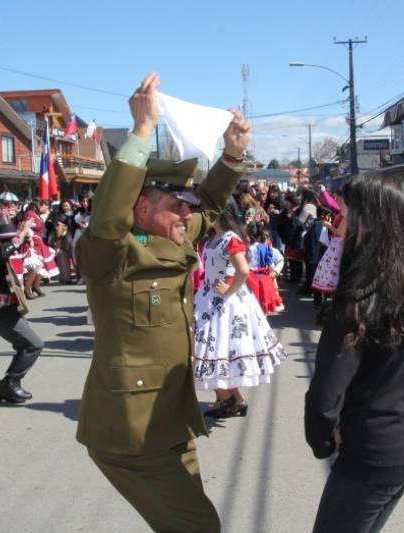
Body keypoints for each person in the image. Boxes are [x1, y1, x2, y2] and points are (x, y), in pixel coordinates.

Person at [74, 72, 250, 533]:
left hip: (172, 422)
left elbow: (209, 203)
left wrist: (232, 154)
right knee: (199, 527)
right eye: (177, 206)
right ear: (142, 208)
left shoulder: (172, 236)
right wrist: (142, 131)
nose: (187, 215)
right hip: (131, 433)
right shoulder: (109, 253)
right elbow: (107, 216)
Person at [305, 175, 404, 533]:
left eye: (346, 216)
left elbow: (323, 400)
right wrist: (401, 387)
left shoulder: (357, 297)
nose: (338, 227)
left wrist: (323, 440)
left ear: (369, 224)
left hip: (370, 454)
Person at [194, 201, 285, 418]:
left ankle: (227, 399)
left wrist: (228, 290)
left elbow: (243, 270)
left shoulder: (230, 239)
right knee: (212, 352)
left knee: (213, 350)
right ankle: (230, 399)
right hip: (209, 299)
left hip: (225, 303)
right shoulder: (212, 238)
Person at [0, 220, 44, 404]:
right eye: (6, 241)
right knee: (34, 345)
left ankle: (7, 387)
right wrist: (20, 234)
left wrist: (24, 235)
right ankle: (10, 383)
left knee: (26, 346)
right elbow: (3, 256)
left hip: (9, 311)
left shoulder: (0, 254)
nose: (11, 245)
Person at [245, 221, 285, 314]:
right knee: (262, 308)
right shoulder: (266, 248)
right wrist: (273, 274)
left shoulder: (244, 248)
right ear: (260, 235)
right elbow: (271, 266)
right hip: (262, 280)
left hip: (247, 279)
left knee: (248, 307)